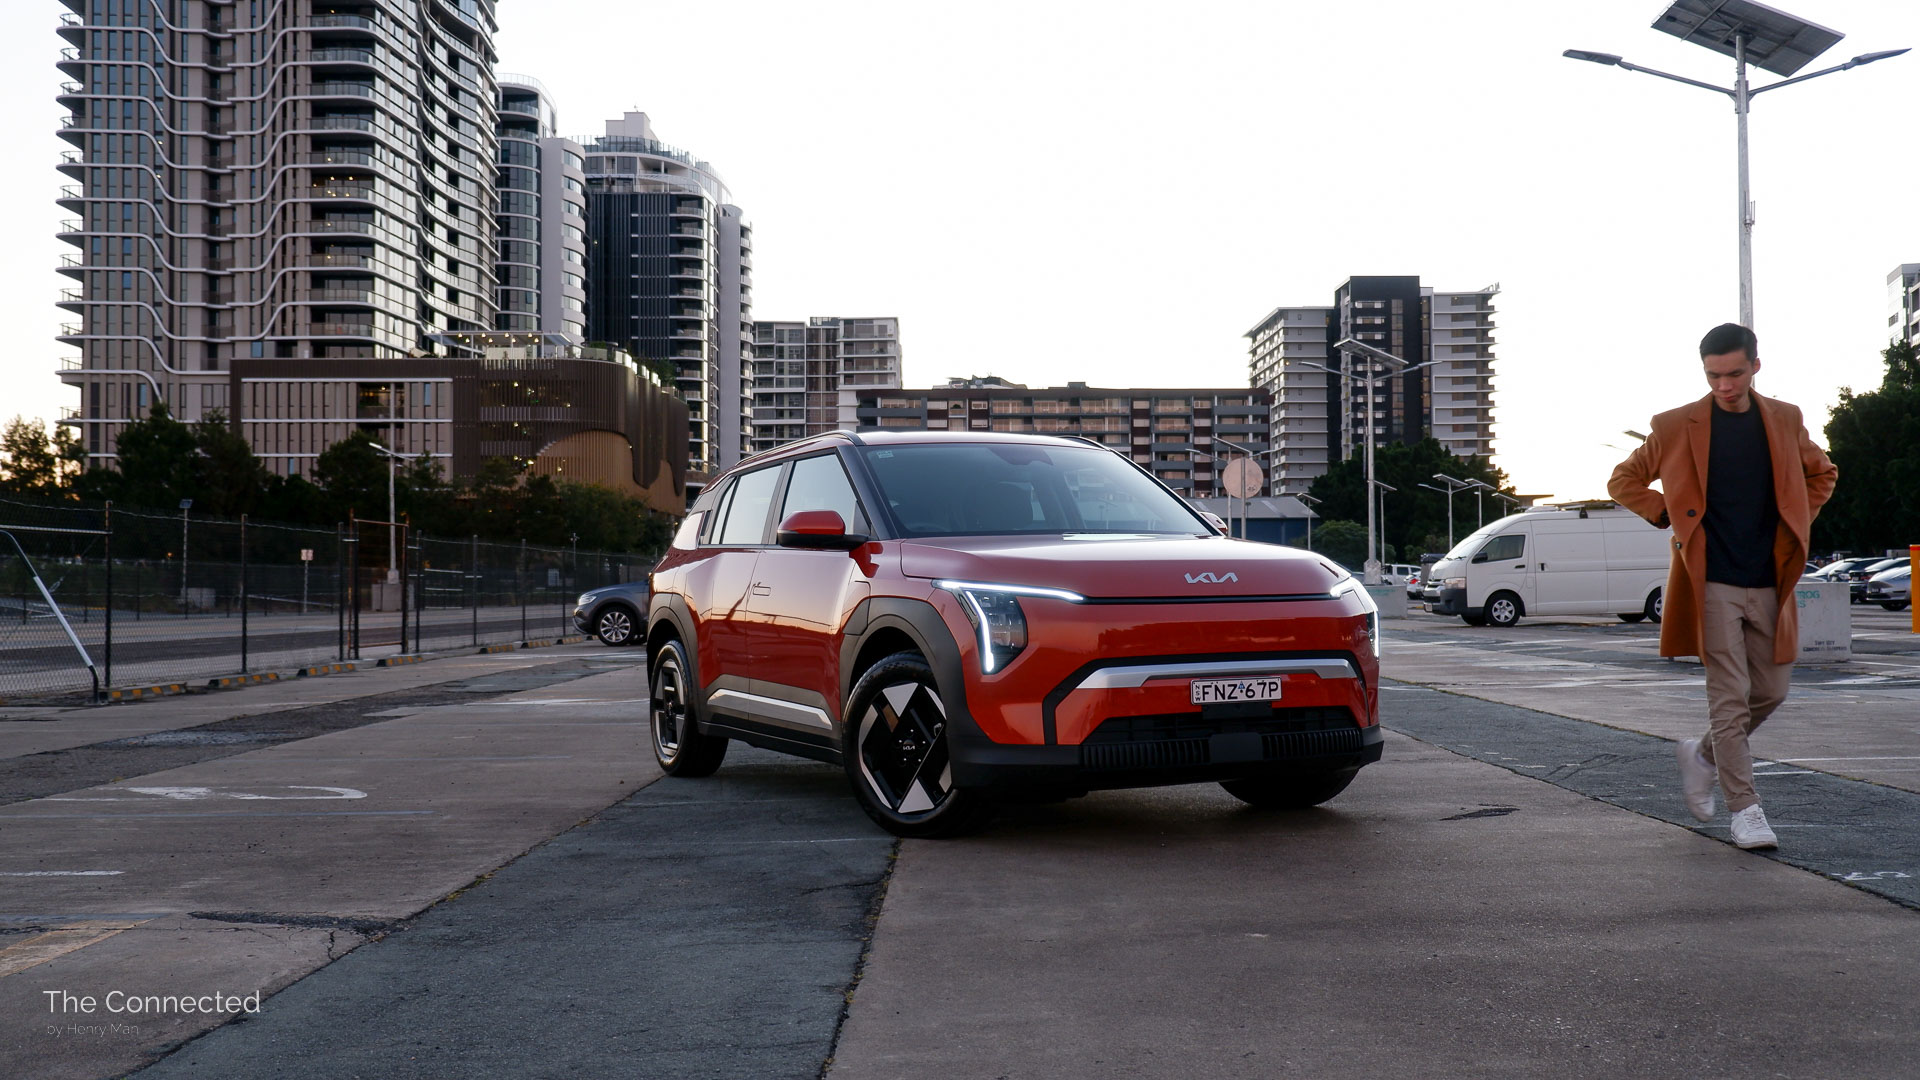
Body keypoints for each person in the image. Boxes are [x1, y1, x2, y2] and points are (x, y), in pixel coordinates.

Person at [1608, 323, 1838, 850]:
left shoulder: (1784, 419)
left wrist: (1796, 518)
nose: (1724, 385)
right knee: (1729, 699)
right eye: (1714, 375)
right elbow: (1623, 479)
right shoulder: (1673, 425)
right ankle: (1746, 810)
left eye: (1734, 373)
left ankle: (1704, 755)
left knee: (1772, 692)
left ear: (1756, 366)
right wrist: (1665, 511)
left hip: (1769, 582)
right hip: (1709, 581)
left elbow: (1822, 474)